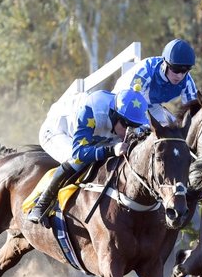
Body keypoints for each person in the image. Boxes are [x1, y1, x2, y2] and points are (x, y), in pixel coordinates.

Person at [26, 89, 150, 226]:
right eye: (126, 125)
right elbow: (79, 153)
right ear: (114, 115)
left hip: (94, 137)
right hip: (58, 131)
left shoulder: (128, 117)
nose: (129, 131)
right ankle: (41, 204)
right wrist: (111, 150)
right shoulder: (91, 109)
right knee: (77, 162)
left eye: (134, 126)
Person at [112, 38, 198, 124]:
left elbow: (194, 112)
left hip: (151, 106)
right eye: (176, 69)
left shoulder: (187, 81)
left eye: (185, 70)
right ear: (164, 63)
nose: (179, 76)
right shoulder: (145, 72)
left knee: (175, 128)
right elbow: (130, 103)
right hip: (123, 100)